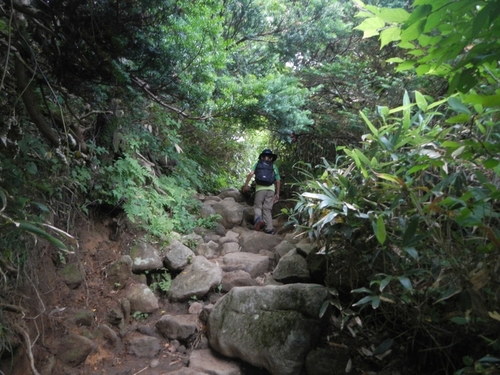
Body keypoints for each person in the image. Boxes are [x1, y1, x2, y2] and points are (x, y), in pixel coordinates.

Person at [242, 149, 281, 235]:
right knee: (267, 209)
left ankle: (258, 220)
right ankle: (269, 229)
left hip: (260, 189)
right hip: (271, 189)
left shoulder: (258, 164)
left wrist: (246, 185)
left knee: (258, 206)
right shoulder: (274, 166)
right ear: (271, 158)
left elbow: (251, 174)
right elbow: (278, 181)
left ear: (262, 157)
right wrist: (277, 194)